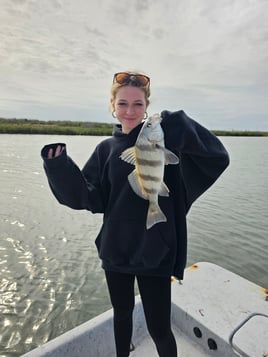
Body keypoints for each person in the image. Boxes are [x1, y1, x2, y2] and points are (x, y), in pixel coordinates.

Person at [41, 71, 229, 357]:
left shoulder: (166, 144)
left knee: (159, 328)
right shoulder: (105, 149)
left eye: (138, 104)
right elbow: (89, 197)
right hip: (116, 252)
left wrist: (179, 124)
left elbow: (217, 157)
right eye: (123, 104)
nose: (130, 111)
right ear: (112, 106)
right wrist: (59, 168)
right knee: (121, 315)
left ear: (147, 107)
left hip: (156, 252)